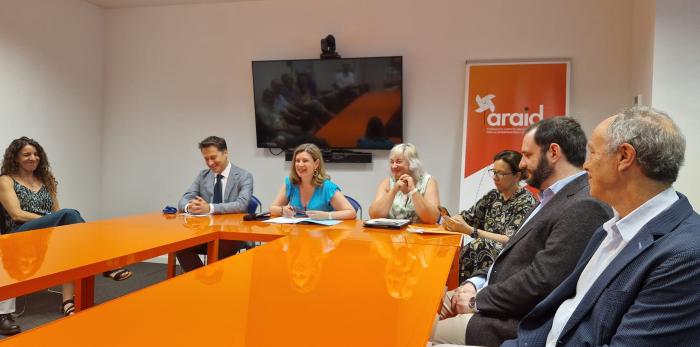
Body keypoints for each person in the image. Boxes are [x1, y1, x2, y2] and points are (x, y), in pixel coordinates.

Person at [504, 106, 700, 346]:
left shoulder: (686, 255)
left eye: (593, 153)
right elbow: (565, 317)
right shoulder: (609, 230)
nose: (585, 165)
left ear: (624, 157)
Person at [432, 117, 612, 347]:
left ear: (553, 153)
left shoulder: (584, 204)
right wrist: (475, 283)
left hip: (509, 322)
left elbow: (542, 282)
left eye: (527, 155)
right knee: (418, 308)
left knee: (415, 329)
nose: (522, 164)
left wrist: (478, 301)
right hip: (489, 299)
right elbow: (511, 254)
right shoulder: (550, 197)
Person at [0, 137, 132, 335]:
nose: (33, 158)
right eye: (26, 154)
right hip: (18, 234)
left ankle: (69, 302)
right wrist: (51, 219)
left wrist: (55, 221)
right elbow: (16, 214)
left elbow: (56, 212)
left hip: (44, 236)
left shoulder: (46, 180)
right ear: (16, 158)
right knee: (69, 215)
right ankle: (107, 263)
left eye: (36, 154)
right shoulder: (6, 180)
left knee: (73, 238)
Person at [442, 150, 536, 282]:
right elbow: (468, 216)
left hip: (509, 257)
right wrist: (453, 221)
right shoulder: (493, 195)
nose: (495, 177)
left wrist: (471, 231)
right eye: (494, 172)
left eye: (501, 173)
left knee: (480, 246)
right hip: (484, 251)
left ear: (517, 175)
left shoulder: (526, 201)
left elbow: (511, 239)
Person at [175, 136, 254, 272]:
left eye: (213, 157)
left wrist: (209, 208)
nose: (210, 163)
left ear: (225, 153)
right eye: (206, 159)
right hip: (205, 232)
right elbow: (184, 198)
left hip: (231, 234)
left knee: (220, 250)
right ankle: (202, 282)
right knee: (179, 245)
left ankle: (208, 283)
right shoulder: (203, 176)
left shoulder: (244, 176)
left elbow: (242, 204)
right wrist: (190, 207)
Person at [269, 143, 356, 220]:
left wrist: (327, 215)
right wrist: (282, 210)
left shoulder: (327, 187)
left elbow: (351, 212)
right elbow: (272, 208)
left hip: (323, 235)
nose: (300, 164)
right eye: (297, 161)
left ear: (316, 164)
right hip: (296, 234)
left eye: (305, 161)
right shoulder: (290, 182)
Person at [368, 143, 440, 224]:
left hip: (419, 234)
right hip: (391, 233)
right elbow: (374, 215)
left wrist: (413, 190)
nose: (394, 166)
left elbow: (432, 218)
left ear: (412, 163)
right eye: (392, 162)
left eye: (398, 162)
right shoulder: (386, 183)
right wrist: (394, 190)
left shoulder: (429, 181)